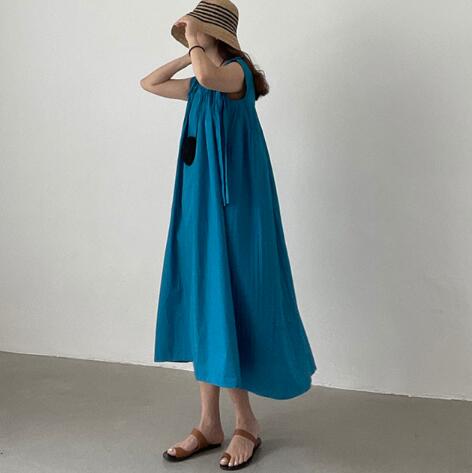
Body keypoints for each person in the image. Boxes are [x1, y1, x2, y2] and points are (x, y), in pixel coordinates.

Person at [140, 0, 317, 469]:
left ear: (215, 34)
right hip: (199, 203)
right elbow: (149, 83)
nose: (189, 36)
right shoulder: (200, 82)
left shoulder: (235, 74)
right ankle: (208, 424)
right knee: (203, 299)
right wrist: (187, 50)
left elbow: (207, 75)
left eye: (195, 29)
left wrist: (196, 46)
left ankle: (246, 424)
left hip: (238, 204)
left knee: (232, 299)